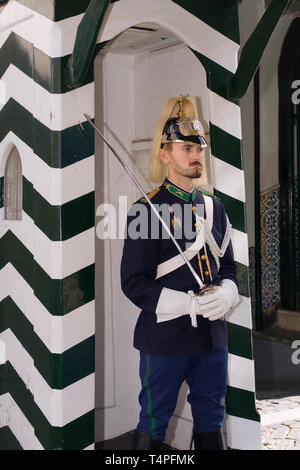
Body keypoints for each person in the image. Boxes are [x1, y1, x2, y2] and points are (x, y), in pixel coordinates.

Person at [120, 97, 239, 450]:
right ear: (165, 155)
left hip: (211, 339)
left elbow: (227, 265)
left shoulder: (214, 207)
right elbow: (134, 283)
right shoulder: (146, 211)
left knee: (210, 419)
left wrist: (229, 291)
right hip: (165, 340)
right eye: (186, 147)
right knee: (155, 422)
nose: (196, 155)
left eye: (199, 148)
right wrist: (187, 304)